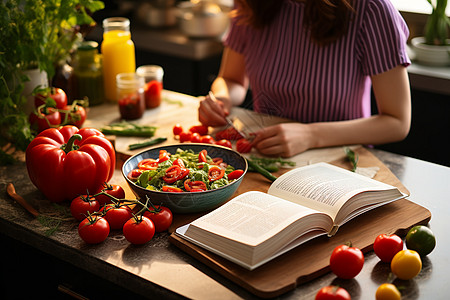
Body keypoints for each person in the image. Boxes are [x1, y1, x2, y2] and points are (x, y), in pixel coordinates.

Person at [198, 0, 411, 157]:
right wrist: (221, 99)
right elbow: (232, 79)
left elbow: (397, 122)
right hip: (265, 154)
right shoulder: (250, 4)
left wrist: (311, 135)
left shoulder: (371, 9)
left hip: (341, 161)